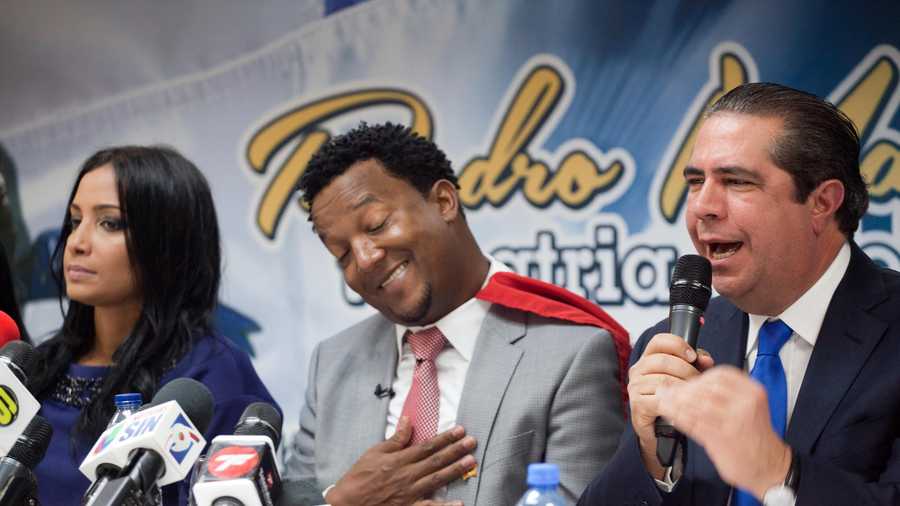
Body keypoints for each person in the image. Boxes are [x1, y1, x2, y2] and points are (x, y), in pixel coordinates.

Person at [578, 82, 900, 506]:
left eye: (736, 181)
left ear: (822, 202)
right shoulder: (673, 347)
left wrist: (777, 471)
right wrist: (650, 460)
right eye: (695, 182)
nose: (702, 207)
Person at [284, 122, 630, 505]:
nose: (365, 259)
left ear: (444, 202)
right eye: (342, 254)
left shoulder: (571, 353)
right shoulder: (330, 365)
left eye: (377, 225)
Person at [30, 146, 278, 505]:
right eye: (74, 220)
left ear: (167, 243)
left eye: (109, 223)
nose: (77, 243)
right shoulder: (35, 369)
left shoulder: (211, 376)